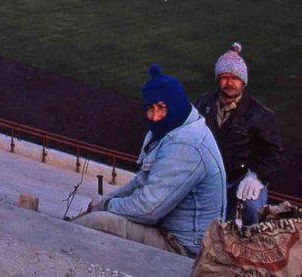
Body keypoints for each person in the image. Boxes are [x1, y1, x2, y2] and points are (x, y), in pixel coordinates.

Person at [78, 64, 226, 257]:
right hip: (167, 231)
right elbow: (141, 181)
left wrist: (105, 206)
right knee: (98, 214)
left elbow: (148, 209)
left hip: (185, 249)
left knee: (98, 222)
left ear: (176, 105)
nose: (155, 117)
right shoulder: (173, 129)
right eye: (150, 109)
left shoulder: (186, 145)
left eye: (162, 109)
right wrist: (106, 199)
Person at [194, 43, 283, 225]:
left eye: (235, 78)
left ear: (243, 81)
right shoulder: (203, 104)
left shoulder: (260, 114)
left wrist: (257, 176)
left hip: (243, 177)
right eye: (224, 77)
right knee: (214, 221)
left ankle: (252, 242)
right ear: (218, 79)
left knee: (253, 208)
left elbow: (274, 153)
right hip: (212, 175)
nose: (229, 83)